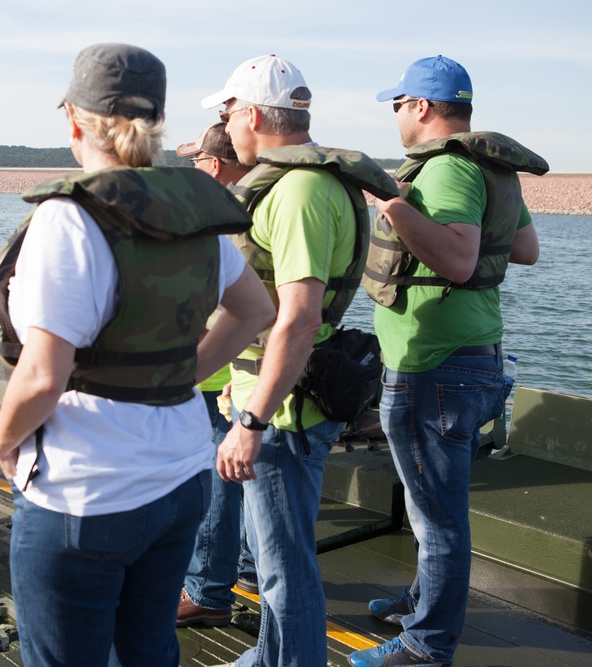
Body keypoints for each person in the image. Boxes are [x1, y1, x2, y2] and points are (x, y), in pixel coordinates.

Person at [0, 43, 276, 667]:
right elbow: (255, 311)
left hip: (86, 491)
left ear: (73, 119)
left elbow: (42, 375)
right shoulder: (191, 210)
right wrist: (178, 376)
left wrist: (4, 441)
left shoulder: (70, 216)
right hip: (180, 477)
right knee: (146, 651)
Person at [349, 55, 546, 667]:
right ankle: (421, 600)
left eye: (398, 104)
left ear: (422, 107)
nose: (396, 116)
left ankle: (425, 645)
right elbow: (526, 248)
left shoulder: (449, 169)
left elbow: (459, 262)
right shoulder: (492, 169)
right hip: (476, 355)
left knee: (437, 519)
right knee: (430, 504)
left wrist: (393, 206)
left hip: (434, 364)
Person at [202, 55, 397, 667]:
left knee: (283, 568)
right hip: (275, 397)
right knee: (269, 558)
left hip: (283, 412)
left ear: (253, 114)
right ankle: (270, 655)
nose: (227, 126)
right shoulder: (305, 182)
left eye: (229, 113)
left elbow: (299, 316)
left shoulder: (299, 190)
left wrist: (253, 421)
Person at [173, 122, 258, 628]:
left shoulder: (221, 221)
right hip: (246, 370)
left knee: (217, 482)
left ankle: (206, 589)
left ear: (217, 165)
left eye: (198, 162)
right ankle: (243, 567)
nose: (195, 169)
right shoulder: (257, 204)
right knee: (244, 478)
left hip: (215, 374)